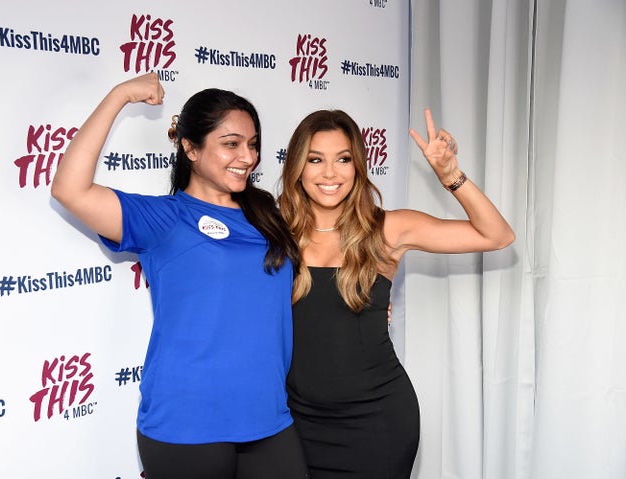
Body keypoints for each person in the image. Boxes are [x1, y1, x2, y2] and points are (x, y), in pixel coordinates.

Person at [51, 73, 308, 479]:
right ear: (189, 147)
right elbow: (70, 189)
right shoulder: (166, 218)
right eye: (231, 144)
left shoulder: (268, 217)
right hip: (186, 425)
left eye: (252, 144)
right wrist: (119, 95)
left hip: (268, 419)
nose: (247, 156)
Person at [278, 108, 515, 478]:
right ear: (297, 166)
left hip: (377, 422)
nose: (329, 173)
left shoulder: (388, 229)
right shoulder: (272, 231)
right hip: (296, 422)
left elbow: (497, 236)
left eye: (343, 159)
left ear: (357, 166)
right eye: (315, 160)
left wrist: (450, 175)